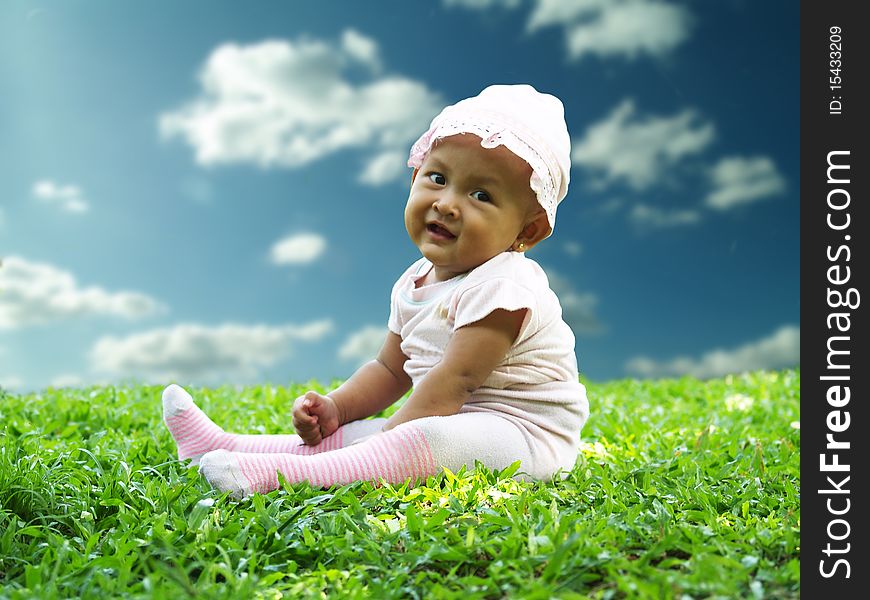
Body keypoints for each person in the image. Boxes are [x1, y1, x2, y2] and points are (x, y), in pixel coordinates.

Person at [163, 84, 590, 498]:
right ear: (415, 178)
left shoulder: (504, 285)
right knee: (356, 435)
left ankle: (283, 476)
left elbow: (454, 381)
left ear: (526, 230)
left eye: (481, 194)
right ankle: (222, 445)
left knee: (414, 438)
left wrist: (386, 438)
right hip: (454, 419)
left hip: (522, 434)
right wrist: (337, 408)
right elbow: (390, 369)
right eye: (438, 178)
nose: (447, 203)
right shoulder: (414, 281)